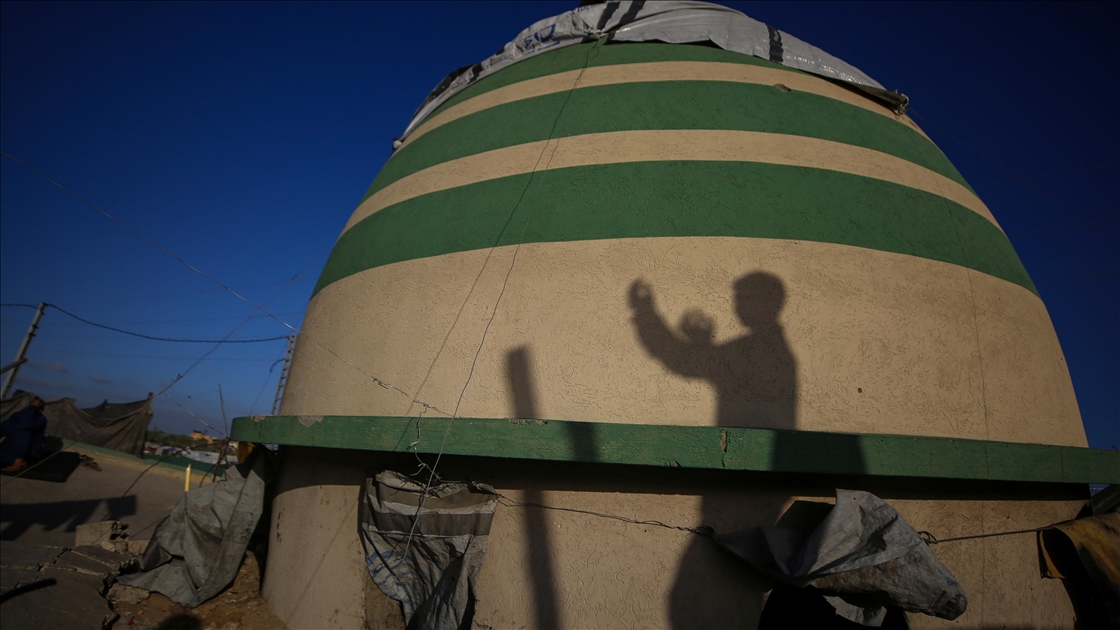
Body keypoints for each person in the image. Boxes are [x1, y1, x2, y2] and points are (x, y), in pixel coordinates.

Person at [1, 396, 49, 472]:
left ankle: (18, 463)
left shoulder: (41, 419)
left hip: (29, 452)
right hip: (8, 449)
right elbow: (3, 428)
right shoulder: (17, 415)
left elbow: (25, 425)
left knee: (23, 431)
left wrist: (32, 407)